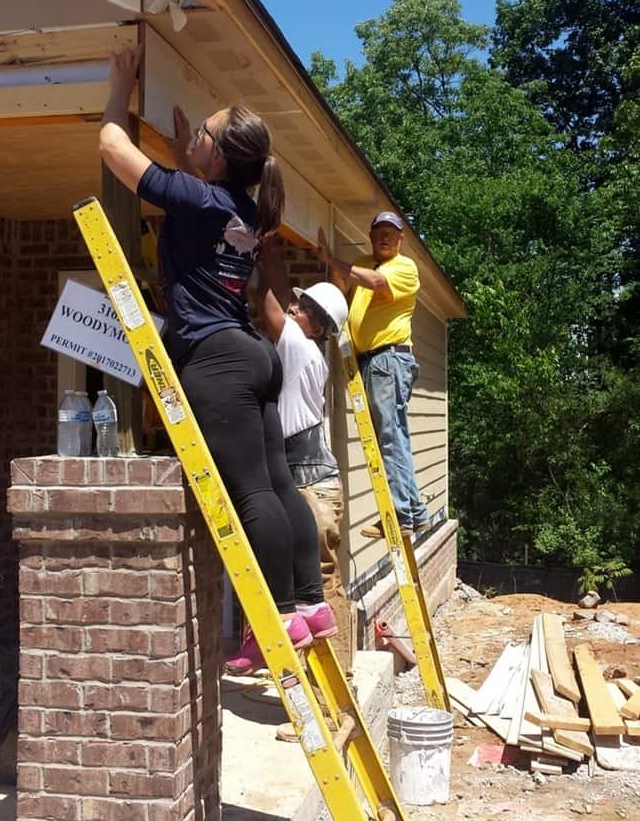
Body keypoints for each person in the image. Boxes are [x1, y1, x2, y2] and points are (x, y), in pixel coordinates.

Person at [99, 46, 336, 675]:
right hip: (253, 355)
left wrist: (118, 86)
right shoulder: (244, 209)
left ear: (218, 155)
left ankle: (276, 620)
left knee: (251, 490)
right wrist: (189, 146)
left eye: (204, 129)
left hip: (215, 360)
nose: (196, 132)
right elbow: (196, 187)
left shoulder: (203, 201)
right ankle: (311, 604)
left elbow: (113, 150)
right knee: (280, 484)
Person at [254, 238, 354, 671]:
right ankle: (318, 684)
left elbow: (269, 304)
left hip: (311, 484)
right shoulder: (305, 352)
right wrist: (266, 249)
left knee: (319, 588)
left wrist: (252, 249)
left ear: (316, 324)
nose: (293, 310)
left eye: (302, 307)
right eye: (297, 305)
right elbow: (280, 297)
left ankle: (335, 690)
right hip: (310, 479)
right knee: (312, 586)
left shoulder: (299, 349)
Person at [314, 212, 430, 540]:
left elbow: (377, 284)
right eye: (379, 230)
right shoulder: (364, 262)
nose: (384, 237)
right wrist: (334, 270)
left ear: (400, 239)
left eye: (391, 233)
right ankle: (414, 513)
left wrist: (333, 259)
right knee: (394, 439)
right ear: (370, 234)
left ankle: (399, 515)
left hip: (389, 360)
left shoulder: (404, 268)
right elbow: (345, 288)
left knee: (391, 440)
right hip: (374, 362)